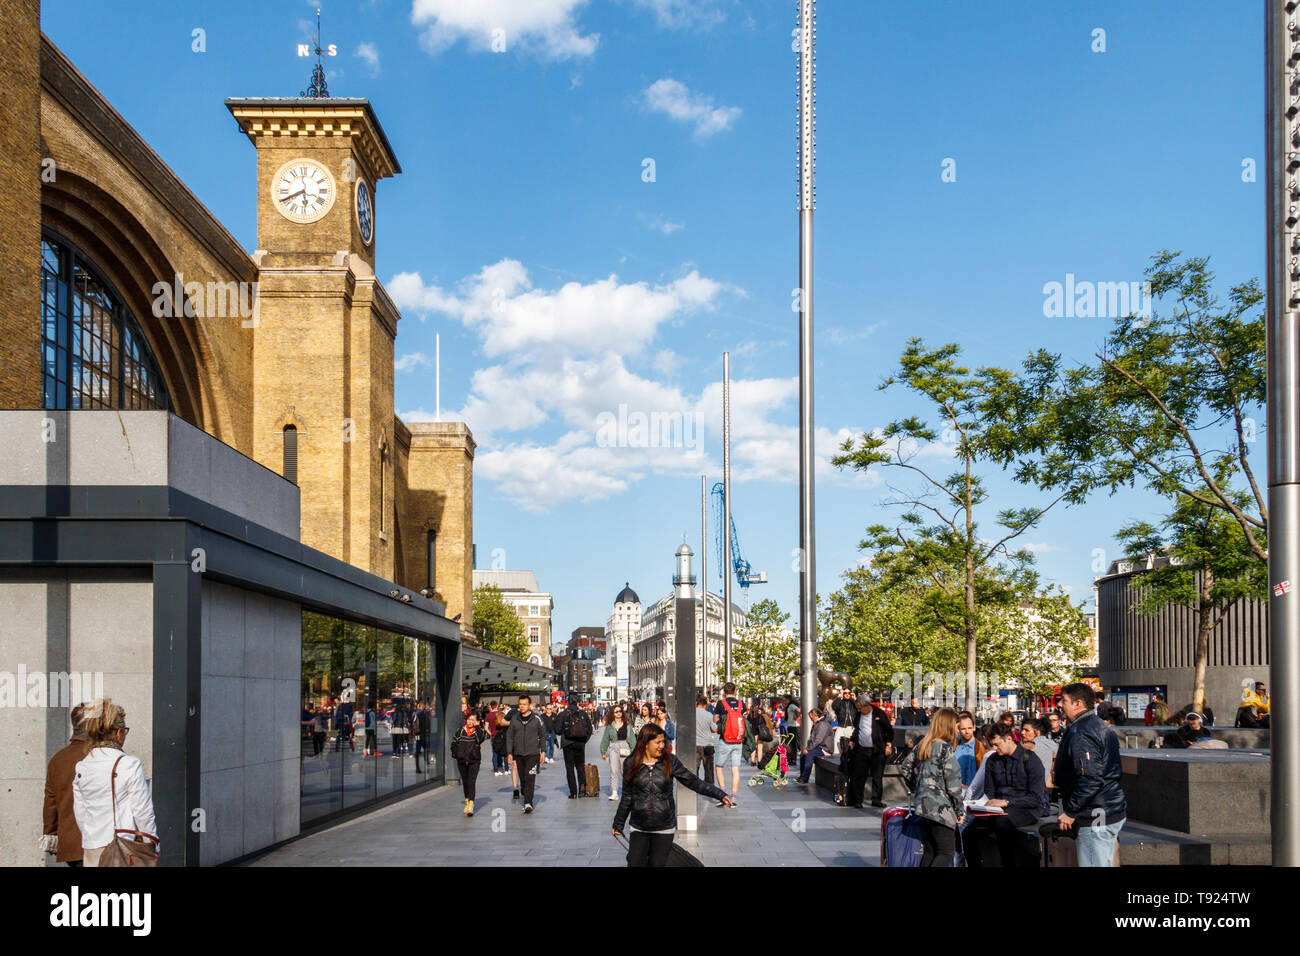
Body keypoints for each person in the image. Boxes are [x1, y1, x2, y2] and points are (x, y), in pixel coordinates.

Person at [611, 723, 733, 866]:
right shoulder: (631, 763)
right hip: (639, 826)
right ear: (645, 743)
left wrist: (718, 793)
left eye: (663, 741)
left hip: (664, 826)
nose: (662, 746)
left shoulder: (670, 761)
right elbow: (627, 796)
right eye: (657, 742)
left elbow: (692, 781)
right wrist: (618, 822)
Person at [72, 699, 158, 866]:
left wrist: (92, 835)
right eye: (125, 731)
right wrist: (152, 845)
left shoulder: (82, 766)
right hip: (123, 848)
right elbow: (143, 812)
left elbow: (81, 813)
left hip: (91, 848)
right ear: (118, 733)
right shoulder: (129, 764)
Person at [1054, 682, 1127, 867]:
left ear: (1078, 704)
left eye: (1064, 701)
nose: (1059, 705)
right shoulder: (1097, 725)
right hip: (1105, 809)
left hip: (1094, 814)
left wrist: (1071, 811)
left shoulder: (1081, 732)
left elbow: (1090, 778)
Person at [965, 722, 1048, 867]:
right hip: (998, 809)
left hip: (1026, 808)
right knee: (968, 833)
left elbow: (1036, 798)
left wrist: (1006, 802)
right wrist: (982, 808)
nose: (995, 749)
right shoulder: (993, 760)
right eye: (992, 745)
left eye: (997, 745)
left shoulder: (1030, 759)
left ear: (1009, 739)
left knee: (1002, 824)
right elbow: (989, 792)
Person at [898, 708, 964, 867]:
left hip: (923, 805)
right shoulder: (945, 749)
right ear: (948, 725)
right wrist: (959, 811)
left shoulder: (924, 744)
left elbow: (905, 767)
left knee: (931, 850)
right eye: (957, 726)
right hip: (941, 808)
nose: (958, 730)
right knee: (946, 852)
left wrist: (919, 787)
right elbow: (953, 784)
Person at [42, 703, 88, 867]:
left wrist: (51, 834)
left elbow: (50, 804)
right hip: (99, 843)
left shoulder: (58, 759)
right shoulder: (100, 755)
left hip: (70, 845)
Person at [846, 692, 894, 808]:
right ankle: (858, 800)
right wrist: (852, 740)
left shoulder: (879, 714)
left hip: (877, 750)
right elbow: (857, 729)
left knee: (877, 776)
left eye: (859, 708)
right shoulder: (859, 716)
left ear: (867, 705)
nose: (858, 710)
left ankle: (876, 799)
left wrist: (888, 745)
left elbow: (889, 730)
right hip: (861, 749)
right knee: (859, 775)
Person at [505, 694, 546, 812]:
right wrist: (509, 753)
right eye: (520, 704)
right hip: (518, 754)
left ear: (530, 705)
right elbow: (509, 736)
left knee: (530, 778)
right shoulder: (515, 719)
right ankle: (525, 792)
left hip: (533, 753)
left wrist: (543, 751)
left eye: (524, 704)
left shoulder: (537, 718)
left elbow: (542, 735)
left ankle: (528, 802)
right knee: (523, 778)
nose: (521, 707)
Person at [712, 682, 747, 806]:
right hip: (738, 740)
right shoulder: (742, 704)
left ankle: (723, 796)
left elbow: (715, 719)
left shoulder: (721, 703)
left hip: (725, 740)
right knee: (735, 769)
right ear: (735, 691)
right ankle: (734, 797)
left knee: (719, 767)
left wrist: (720, 721)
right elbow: (744, 719)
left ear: (724, 692)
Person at [451, 711, 488, 815]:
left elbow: (480, 739)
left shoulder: (478, 731)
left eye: (473, 719)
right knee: (465, 782)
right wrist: (456, 754)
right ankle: (467, 802)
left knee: (471, 782)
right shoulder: (460, 731)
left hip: (474, 760)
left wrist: (477, 727)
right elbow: (453, 743)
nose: (470, 721)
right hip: (462, 760)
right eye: (469, 719)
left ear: (476, 721)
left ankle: (471, 805)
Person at [558, 699, 593, 798]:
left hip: (567, 743)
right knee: (580, 765)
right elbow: (589, 729)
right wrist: (584, 740)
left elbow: (557, 729)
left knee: (569, 768)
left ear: (568, 703)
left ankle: (573, 792)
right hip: (580, 743)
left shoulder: (564, 714)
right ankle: (582, 787)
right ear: (577, 703)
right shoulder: (582, 713)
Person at [600, 704, 632, 800]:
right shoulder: (610, 726)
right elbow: (605, 738)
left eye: (620, 711)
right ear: (613, 714)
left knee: (624, 771)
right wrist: (603, 751)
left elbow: (632, 739)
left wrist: (634, 751)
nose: (619, 713)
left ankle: (628, 791)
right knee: (613, 770)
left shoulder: (627, 724)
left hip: (625, 747)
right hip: (613, 747)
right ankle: (614, 792)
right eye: (616, 711)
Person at [1020, 717, 1057, 798]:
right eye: (1022, 729)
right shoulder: (1053, 744)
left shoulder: (1029, 746)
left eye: (1027, 730)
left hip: (1034, 792)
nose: (1022, 732)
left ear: (1037, 732)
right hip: (1054, 791)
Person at [796, 707, 834, 784]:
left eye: (811, 717)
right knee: (803, 754)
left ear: (816, 715)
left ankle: (805, 778)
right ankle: (802, 776)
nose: (811, 719)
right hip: (819, 747)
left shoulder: (823, 724)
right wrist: (807, 748)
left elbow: (818, 740)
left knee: (809, 754)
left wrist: (809, 749)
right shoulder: (818, 723)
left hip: (825, 748)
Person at [953, 713, 986, 790]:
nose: (967, 731)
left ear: (974, 728)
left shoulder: (982, 748)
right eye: (963, 729)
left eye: (969, 728)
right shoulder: (954, 748)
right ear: (959, 729)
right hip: (956, 791)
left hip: (976, 793)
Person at [694, 695, 716, 784]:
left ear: (697, 704)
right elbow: (714, 729)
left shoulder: (692, 714)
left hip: (695, 745)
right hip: (708, 745)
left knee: (695, 768)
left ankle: (695, 786)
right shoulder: (709, 715)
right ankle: (709, 787)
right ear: (705, 705)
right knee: (709, 769)